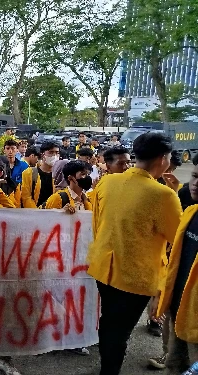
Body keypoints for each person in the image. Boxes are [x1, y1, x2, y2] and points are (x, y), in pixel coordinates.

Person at [88, 132, 182, 375]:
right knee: (119, 330)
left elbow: (97, 224)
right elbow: (178, 238)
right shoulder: (163, 195)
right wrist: (176, 194)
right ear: (163, 159)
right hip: (134, 277)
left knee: (109, 321)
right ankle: (109, 370)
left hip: (103, 267)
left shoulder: (108, 182)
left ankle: (107, 366)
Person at [155, 158, 198, 374]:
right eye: (195, 176)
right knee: (174, 365)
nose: (196, 183)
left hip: (196, 316)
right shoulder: (191, 213)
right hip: (178, 306)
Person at [21, 141, 59, 208]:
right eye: (51, 152)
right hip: (34, 214)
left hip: (53, 215)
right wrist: (38, 213)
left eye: (57, 153)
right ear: (42, 155)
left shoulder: (59, 175)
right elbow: (26, 197)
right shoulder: (29, 173)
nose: (54, 156)